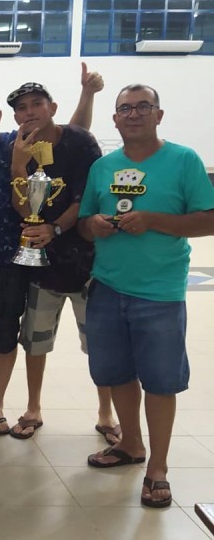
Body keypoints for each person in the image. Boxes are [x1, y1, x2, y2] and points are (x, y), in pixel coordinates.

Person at [0, 64, 106, 437]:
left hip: (12, 262)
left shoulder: (18, 142)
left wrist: (87, 95)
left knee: (4, 336)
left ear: (2, 117)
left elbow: (71, 133)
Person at [79, 84, 214, 508]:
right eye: (125, 109)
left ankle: (158, 466)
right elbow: (83, 221)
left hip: (159, 292)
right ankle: (130, 444)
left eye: (142, 107)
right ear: (115, 119)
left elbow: (209, 219)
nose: (133, 114)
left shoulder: (184, 160)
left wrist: (154, 220)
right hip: (107, 285)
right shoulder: (103, 167)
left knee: (159, 381)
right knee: (115, 373)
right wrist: (94, 224)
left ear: (158, 115)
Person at [7, 81, 108, 440]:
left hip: (87, 263)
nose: (30, 111)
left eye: (37, 103)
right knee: (35, 340)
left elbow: (89, 197)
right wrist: (19, 167)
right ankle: (33, 406)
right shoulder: (16, 146)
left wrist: (56, 228)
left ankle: (106, 413)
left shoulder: (80, 143)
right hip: (40, 265)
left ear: (52, 106)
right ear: (16, 115)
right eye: (23, 107)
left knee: (100, 343)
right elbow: (22, 207)